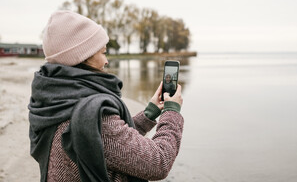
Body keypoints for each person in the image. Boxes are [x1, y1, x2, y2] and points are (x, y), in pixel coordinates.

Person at [28, 10, 184, 182]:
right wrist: (172, 112)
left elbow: (108, 145)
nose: (107, 61)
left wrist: (149, 114)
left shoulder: (50, 98)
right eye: (102, 52)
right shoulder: (93, 113)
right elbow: (158, 162)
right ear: (82, 56)